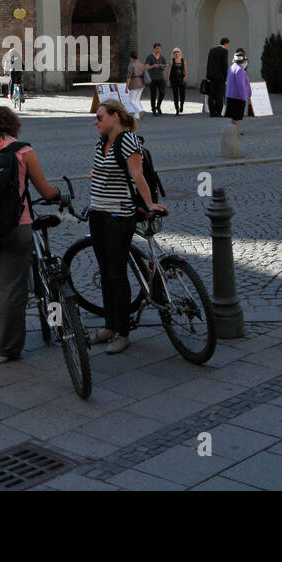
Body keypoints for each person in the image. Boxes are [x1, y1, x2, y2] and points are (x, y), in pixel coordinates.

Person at [0, 106, 64, 364]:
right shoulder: (24, 152)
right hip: (16, 226)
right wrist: (58, 195)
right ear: (13, 124)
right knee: (12, 288)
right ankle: (5, 349)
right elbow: (44, 191)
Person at [87, 99, 166, 355]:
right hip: (98, 214)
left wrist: (150, 204)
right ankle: (110, 326)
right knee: (105, 272)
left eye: (100, 117)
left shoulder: (128, 141)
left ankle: (123, 332)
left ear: (115, 117)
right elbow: (104, 170)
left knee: (116, 272)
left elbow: (137, 175)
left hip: (119, 216)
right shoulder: (103, 143)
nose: (96, 121)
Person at [224, 49, 252, 127]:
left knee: (234, 116)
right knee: (236, 115)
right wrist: (244, 97)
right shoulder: (240, 70)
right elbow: (241, 85)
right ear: (243, 62)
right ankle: (235, 131)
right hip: (237, 96)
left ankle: (234, 129)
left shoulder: (231, 67)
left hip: (231, 95)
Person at [205, 38, 230, 117]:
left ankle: (212, 113)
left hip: (211, 77)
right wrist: (227, 77)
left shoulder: (212, 50)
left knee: (211, 95)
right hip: (220, 77)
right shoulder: (224, 51)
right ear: (226, 44)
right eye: (228, 44)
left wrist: (208, 76)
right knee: (220, 95)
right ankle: (218, 113)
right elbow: (225, 65)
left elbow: (208, 63)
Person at [145, 43, 167, 116]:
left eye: (159, 48)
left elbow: (164, 67)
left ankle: (158, 106)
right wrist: (154, 65)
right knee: (153, 95)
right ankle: (153, 109)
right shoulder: (150, 57)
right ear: (154, 49)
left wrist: (162, 66)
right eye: (157, 48)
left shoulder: (162, 57)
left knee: (162, 93)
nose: (158, 50)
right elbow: (147, 67)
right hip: (152, 79)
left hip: (161, 78)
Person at [167, 47, 188, 115]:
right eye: (175, 52)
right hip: (174, 80)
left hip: (181, 79)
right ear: (173, 54)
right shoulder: (171, 61)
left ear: (180, 53)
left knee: (182, 95)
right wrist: (168, 80)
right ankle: (177, 109)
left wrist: (185, 76)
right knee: (175, 95)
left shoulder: (183, 60)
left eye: (178, 52)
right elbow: (169, 71)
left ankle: (181, 105)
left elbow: (186, 69)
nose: (177, 54)